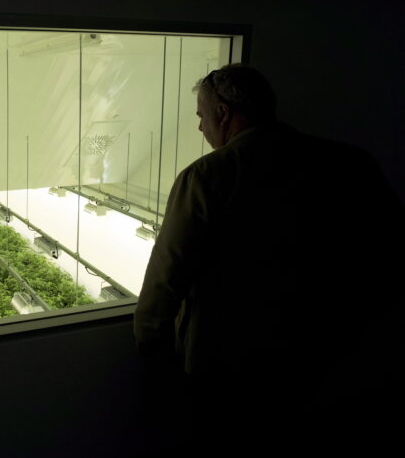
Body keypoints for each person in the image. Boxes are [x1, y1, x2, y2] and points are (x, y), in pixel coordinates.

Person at [133, 64, 402, 452]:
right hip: (321, 356)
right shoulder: (351, 162)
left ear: (222, 113)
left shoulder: (208, 176)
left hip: (225, 365)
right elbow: (390, 251)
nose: (200, 127)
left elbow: (168, 272)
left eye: (200, 116)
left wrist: (149, 342)